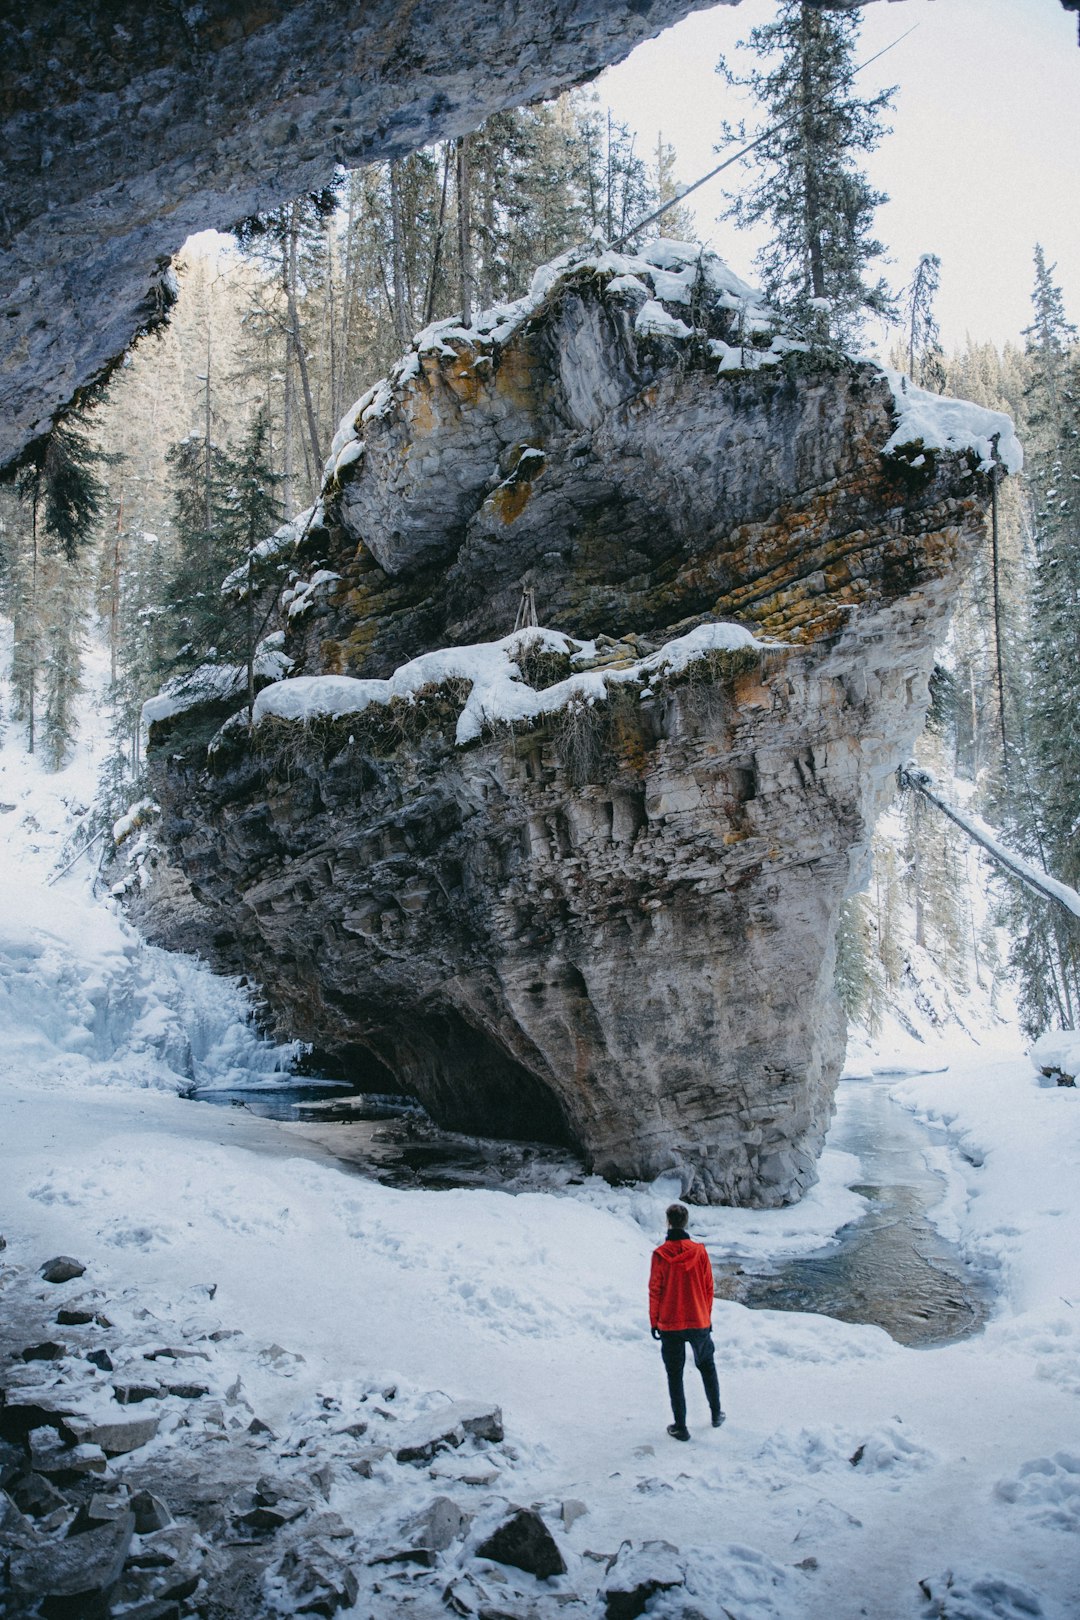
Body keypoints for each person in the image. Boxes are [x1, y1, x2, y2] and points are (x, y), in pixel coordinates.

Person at [648, 1202, 724, 1441]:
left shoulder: (660, 1255)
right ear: (686, 1222)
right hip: (698, 1319)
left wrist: (655, 1321)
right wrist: (706, 1315)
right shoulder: (699, 1252)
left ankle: (681, 1426)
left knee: (675, 1374)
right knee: (707, 1366)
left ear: (668, 1223)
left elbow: (655, 1291)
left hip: (670, 1322)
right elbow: (708, 1287)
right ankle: (715, 1414)